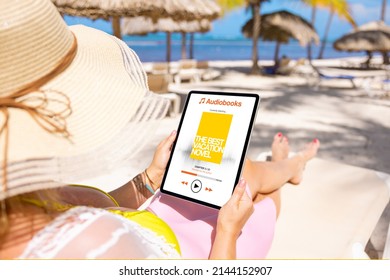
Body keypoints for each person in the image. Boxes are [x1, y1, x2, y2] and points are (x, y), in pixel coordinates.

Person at [0, 0, 320, 259]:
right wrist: (228, 231)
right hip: (204, 251)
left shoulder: (24, 197)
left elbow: (102, 204)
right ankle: (293, 166)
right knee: (260, 195)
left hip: (152, 222)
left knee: (241, 172)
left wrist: (150, 176)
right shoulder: (93, 244)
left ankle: (289, 164)